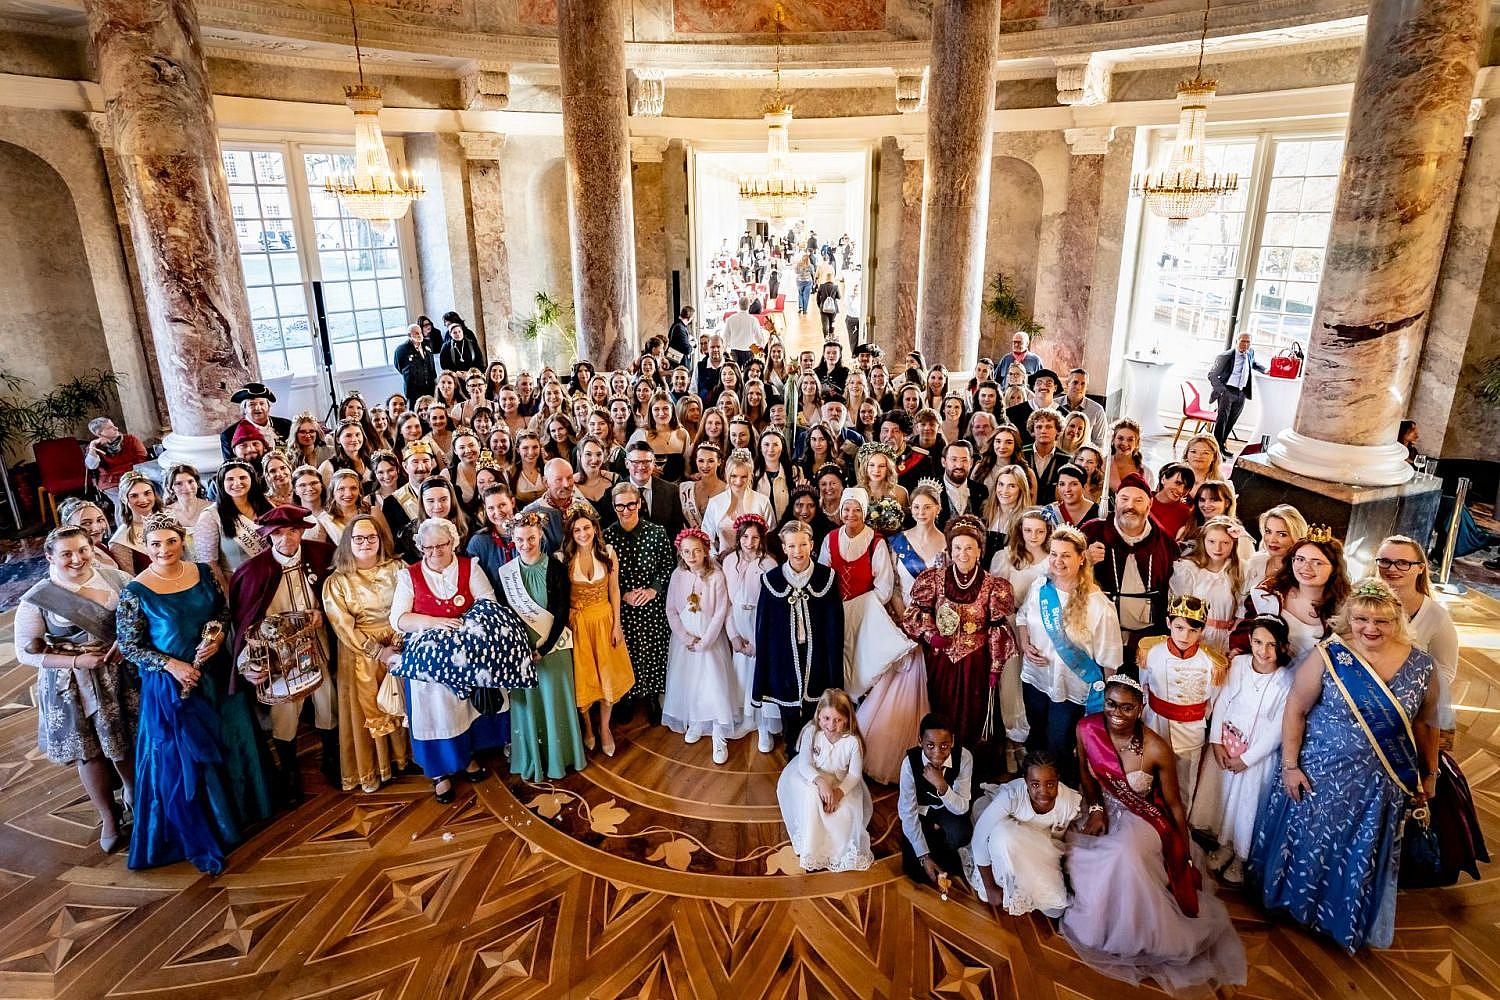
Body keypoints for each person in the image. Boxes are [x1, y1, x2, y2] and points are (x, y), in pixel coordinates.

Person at [1251, 578, 1440, 952]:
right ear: (1348, 618)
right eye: (1361, 619)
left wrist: (1430, 773)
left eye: (1381, 621)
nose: (1370, 628)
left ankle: (1339, 922)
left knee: (1356, 856)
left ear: (1397, 620)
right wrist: (1290, 766)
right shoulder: (1329, 655)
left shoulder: (1422, 666)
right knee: (1311, 847)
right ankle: (1296, 910)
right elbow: (1296, 708)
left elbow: (1425, 724)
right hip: (1319, 776)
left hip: (1379, 786)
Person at [1062, 675, 1247, 995]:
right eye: (1111, 704)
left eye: (1127, 707)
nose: (1117, 713)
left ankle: (1133, 934)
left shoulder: (1155, 748)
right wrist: (1096, 808)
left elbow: (1174, 805)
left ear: (1140, 709)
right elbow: (1085, 774)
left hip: (1144, 816)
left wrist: (1182, 849)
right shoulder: (1087, 728)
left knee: (1123, 855)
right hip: (1103, 806)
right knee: (1079, 854)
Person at [116, 513, 274, 872]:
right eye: (155, 544)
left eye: (171, 541)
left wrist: (216, 636)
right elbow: (129, 646)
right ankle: (212, 825)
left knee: (232, 737)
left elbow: (221, 612)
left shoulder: (202, 572)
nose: (164, 550)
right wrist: (172, 665)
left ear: (181, 541)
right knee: (187, 758)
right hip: (173, 686)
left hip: (215, 671)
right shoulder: (135, 592)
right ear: (145, 546)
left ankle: (243, 811)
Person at [16, 526, 138, 852]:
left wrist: (127, 641)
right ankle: (108, 816)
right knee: (89, 751)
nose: (77, 559)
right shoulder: (39, 598)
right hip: (72, 683)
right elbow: (25, 653)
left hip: (118, 675)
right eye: (66, 553)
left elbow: (141, 617)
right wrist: (76, 662)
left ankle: (134, 796)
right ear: (49, 557)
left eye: (82, 550)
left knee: (126, 742)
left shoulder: (116, 579)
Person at [389, 517, 509, 803]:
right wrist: (434, 622)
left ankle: (467, 757)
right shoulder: (409, 576)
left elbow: (488, 603)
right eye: (428, 548)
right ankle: (439, 772)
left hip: (467, 645)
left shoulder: (470, 567)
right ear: (420, 548)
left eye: (441, 545)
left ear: (452, 542)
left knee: (466, 705)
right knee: (437, 704)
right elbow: (399, 619)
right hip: (427, 651)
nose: (435, 552)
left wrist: (464, 626)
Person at [229, 504, 339, 799]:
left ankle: (331, 758)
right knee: (285, 711)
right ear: (268, 535)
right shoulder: (253, 571)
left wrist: (322, 614)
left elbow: (338, 597)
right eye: (278, 533)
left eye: (292, 531)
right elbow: (243, 624)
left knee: (328, 701)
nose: (286, 539)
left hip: (318, 646)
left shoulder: (321, 555)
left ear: (302, 531)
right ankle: (289, 771)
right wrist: (247, 663)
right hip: (279, 658)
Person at [1191, 614, 1293, 886]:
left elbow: (1278, 728)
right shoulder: (1238, 665)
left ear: (1282, 646)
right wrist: (1216, 741)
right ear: (1250, 640)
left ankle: (1240, 856)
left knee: (1245, 806)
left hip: (1255, 756)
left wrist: (1248, 758)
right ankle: (1224, 846)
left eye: (1272, 645)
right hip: (1227, 743)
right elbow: (1223, 701)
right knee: (1224, 801)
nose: (1263, 651)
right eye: (1258, 642)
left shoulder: (1286, 680)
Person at [1016, 526, 1122, 782]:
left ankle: (1061, 793)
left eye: (1066, 555)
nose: (1058, 561)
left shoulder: (1099, 605)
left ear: (1081, 558)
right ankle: (1034, 788)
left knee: (1060, 749)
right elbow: (1022, 618)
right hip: (1036, 680)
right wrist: (1025, 644)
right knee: (1036, 738)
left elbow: (1110, 658)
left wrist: (1106, 703)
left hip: (1071, 689)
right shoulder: (1040, 587)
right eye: (1053, 554)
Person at [857, 482, 941, 783]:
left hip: (936, 624)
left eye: (927, 507)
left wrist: (933, 621)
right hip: (904, 619)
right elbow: (891, 584)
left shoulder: (947, 543)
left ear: (937, 509)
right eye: (916, 507)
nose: (921, 512)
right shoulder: (897, 543)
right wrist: (908, 618)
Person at [322, 514, 412, 793]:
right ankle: (376, 769)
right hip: (361, 652)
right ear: (348, 542)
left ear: (380, 539)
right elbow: (342, 625)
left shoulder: (399, 568)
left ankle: (405, 759)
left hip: (400, 643)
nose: (365, 543)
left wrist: (398, 642)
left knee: (404, 701)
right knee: (371, 710)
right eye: (358, 538)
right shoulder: (337, 581)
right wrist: (378, 652)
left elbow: (413, 602)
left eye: (371, 537)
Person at [497, 511, 588, 781]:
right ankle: (533, 760)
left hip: (553, 648)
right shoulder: (507, 574)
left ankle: (561, 758)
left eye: (531, 539)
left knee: (555, 701)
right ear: (513, 540)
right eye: (520, 540)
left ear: (540, 538)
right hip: (522, 652)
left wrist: (543, 648)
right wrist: (520, 650)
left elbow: (561, 611)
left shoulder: (556, 568)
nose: (526, 545)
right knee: (529, 704)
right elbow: (505, 615)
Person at [753, 520, 845, 742]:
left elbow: (836, 627)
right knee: (789, 711)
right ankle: (792, 749)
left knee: (817, 707)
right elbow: (763, 628)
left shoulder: (826, 577)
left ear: (811, 545)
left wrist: (834, 668)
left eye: (803, 544)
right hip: (784, 657)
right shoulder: (771, 580)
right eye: (792, 546)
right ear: (784, 548)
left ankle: (815, 747)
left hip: (818, 656)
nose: (798, 551)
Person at [819, 487, 913, 700]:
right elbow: (823, 578)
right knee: (837, 659)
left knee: (862, 661)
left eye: (857, 510)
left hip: (866, 616)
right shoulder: (830, 539)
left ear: (864, 512)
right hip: (836, 613)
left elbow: (884, 586)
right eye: (846, 509)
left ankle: (862, 704)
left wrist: (860, 607)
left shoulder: (875, 542)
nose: (851, 514)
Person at [969, 749, 1081, 918]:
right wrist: (990, 887)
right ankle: (1010, 885)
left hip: (1040, 844)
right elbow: (979, 838)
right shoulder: (1011, 796)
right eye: (1035, 784)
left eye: (1050, 784)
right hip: (1005, 839)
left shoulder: (1068, 802)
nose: (1043, 792)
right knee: (1004, 836)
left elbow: (1059, 837)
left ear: (1058, 780)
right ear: (1025, 782)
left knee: (1055, 910)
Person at [1082, 473, 1178, 666]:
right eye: (1124, 499)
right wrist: (1084, 561)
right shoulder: (1092, 533)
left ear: (1149, 505)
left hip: (1147, 639)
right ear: (1115, 501)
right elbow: (1063, 573)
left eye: (1138, 500)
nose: (1130, 506)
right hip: (1099, 636)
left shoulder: (1164, 543)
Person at [1138, 595, 1223, 812]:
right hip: (1155, 725)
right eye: (1179, 628)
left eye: (1193, 630)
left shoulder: (1212, 663)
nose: (1185, 636)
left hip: (1190, 731)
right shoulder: (1151, 652)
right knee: (1149, 778)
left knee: (1185, 784)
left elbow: (1212, 702)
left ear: (1202, 630)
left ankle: (1181, 823)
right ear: (1168, 623)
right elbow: (1144, 687)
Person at [661, 528, 739, 764]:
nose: (691, 556)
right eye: (686, 552)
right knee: (691, 683)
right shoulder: (678, 575)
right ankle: (695, 720)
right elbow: (671, 610)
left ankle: (718, 732)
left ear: (705, 551)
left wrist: (705, 642)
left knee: (713, 684)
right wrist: (686, 638)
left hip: (709, 639)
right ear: (680, 553)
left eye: (696, 551)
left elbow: (720, 612)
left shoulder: (716, 576)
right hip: (685, 641)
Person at [776, 688, 873, 872]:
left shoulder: (852, 742)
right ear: (819, 714)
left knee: (844, 812)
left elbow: (854, 775)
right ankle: (811, 848)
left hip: (841, 782)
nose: (831, 725)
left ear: (847, 719)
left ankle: (833, 850)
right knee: (812, 798)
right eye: (826, 718)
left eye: (838, 720)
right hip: (811, 776)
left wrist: (838, 793)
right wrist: (820, 782)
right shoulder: (812, 732)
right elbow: (805, 765)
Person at [563, 505, 634, 757]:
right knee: (584, 679)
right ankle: (587, 727)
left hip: (605, 621)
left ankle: (604, 728)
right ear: (571, 533)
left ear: (595, 528)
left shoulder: (608, 553)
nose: (583, 534)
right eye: (577, 530)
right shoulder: (564, 558)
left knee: (607, 677)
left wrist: (617, 625)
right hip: (579, 625)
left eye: (586, 528)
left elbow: (614, 590)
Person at [1376, 535, 1461, 736]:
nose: (1392, 568)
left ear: (1420, 568)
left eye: (1403, 563)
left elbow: (1446, 670)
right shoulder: (1359, 603)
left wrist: (1410, 692)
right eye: (1385, 561)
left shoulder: (1436, 617)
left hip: (1407, 709)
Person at [604, 482, 674, 720]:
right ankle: (628, 697)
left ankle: (653, 697)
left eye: (630, 504)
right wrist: (623, 594)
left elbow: (668, 566)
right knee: (627, 652)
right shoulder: (607, 536)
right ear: (613, 506)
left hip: (652, 605)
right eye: (620, 506)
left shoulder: (657, 532)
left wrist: (654, 590)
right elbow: (604, 575)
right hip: (622, 607)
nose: (626, 510)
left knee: (654, 650)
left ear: (639, 503)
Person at [723, 513, 782, 753]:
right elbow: (726, 602)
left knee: (761, 671)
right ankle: (749, 718)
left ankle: (764, 725)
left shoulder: (769, 564)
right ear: (738, 537)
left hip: (761, 621)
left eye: (755, 538)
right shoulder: (729, 562)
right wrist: (734, 636)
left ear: (762, 539)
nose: (749, 542)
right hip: (738, 620)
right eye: (745, 537)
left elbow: (775, 607)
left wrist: (761, 642)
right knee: (743, 672)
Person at [896, 714, 973, 888]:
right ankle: (933, 841)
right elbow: (907, 812)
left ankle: (940, 839)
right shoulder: (909, 764)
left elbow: (962, 808)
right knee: (915, 871)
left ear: (952, 741)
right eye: (930, 746)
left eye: (944, 746)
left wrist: (941, 785)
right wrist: (924, 856)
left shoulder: (964, 757)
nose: (937, 754)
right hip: (921, 810)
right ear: (920, 741)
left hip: (949, 808)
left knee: (962, 834)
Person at [1170, 515, 1244, 654]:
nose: (1218, 548)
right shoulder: (1189, 569)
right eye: (1211, 541)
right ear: (1203, 541)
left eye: (1225, 543)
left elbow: (1242, 612)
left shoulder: (1238, 571)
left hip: (1225, 639)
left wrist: (1233, 641)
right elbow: (1179, 611)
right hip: (1194, 636)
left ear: (1233, 544)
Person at [1207, 332, 1265, 447]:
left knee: (1232, 421)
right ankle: (1216, 447)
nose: (1246, 344)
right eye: (1243, 341)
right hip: (1227, 391)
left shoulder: (1250, 352)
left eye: (1248, 342)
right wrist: (1222, 391)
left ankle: (1222, 445)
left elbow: (1253, 363)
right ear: (1237, 341)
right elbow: (1211, 375)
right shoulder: (1225, 356)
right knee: (1222, 421)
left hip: (1241, 392)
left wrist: (1265, 370)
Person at [623, 441, 685, 539]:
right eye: (636, 462)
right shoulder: (614, 493)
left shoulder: (671, 491)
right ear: (627, 463)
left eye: (646, 461)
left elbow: (677, 531)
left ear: (654, 462)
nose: (641, 467)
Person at [84, 416, 148, 505]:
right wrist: (92, 445)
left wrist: (131, 475)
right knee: (124, 500)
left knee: (146, 493)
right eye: (110, 427)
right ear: (100, 433)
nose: (116, 428)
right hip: (111, 482)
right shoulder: (95, 447)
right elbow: (91, 466)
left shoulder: (130, 439)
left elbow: (142, 459)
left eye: (114, 425)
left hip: (133, 475)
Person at [110, 470, 164, 574]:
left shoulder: (169, 518)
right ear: (124, 500)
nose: (143, 500)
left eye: (147, 493)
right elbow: (129, 578)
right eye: (134, 496)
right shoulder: (120, 540)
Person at [219, 382, 291, 460]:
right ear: (244, 409)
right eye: (252, 404)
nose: (257, 408)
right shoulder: (229, 435)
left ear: (268, 406)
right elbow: (230, 465)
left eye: (262, 403)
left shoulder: (287, 425)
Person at [1058, 369, 1107, 447]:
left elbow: (1099, 444)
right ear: (1067, 384)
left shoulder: (1097, 411)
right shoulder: (1054, 405)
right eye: (1075, 382)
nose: (1078, 387)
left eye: (1083, 384)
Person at [814, 273, 841, 340]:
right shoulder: (835, 287)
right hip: (833, 309)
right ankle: (831, 336)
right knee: (832, 323)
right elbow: (839, 297)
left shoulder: (821, 286)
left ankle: (826, 338)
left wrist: (820, 306)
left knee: (824, 324)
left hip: (823, 308)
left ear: (826, 278)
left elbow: (817, 298)